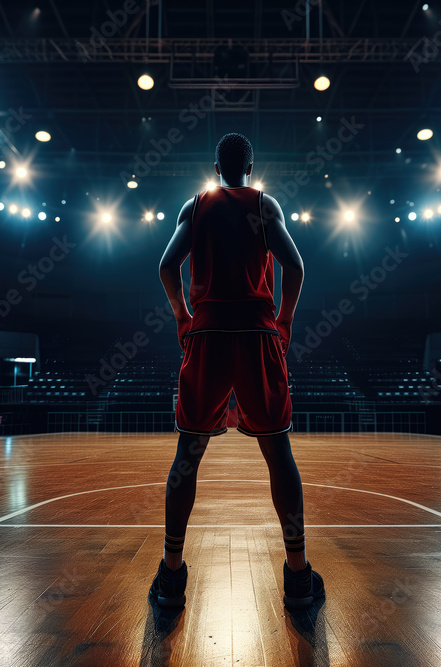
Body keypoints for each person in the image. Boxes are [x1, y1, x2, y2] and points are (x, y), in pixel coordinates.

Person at [148, 132, 324, 611]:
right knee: (277, 452)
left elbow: (167, 267)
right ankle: (298, 576)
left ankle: (170, 576)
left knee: (188, 453)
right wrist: (283, 319)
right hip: (257, 332)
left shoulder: (196, 205)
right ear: (251, 165)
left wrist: (184, 316)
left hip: (207, 334)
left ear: (215, 164)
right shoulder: (265, 207)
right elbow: (297, 268)